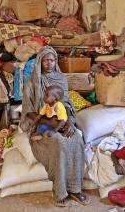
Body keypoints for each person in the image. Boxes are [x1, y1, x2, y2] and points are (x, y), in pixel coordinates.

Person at [20, 46, 90, 207]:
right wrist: (46, 122)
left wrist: (69, 122)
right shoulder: (32, 83)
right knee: (58, 141)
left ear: (56, 61)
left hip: (61, 121)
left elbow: (66, 105)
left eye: (51, 60)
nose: (48, 63)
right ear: (39, 62)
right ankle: (60, 191)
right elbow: (28, 113)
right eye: (45, 60)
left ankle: (76, 189)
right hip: (42, 125)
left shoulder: (61, 79)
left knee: (77, 138)